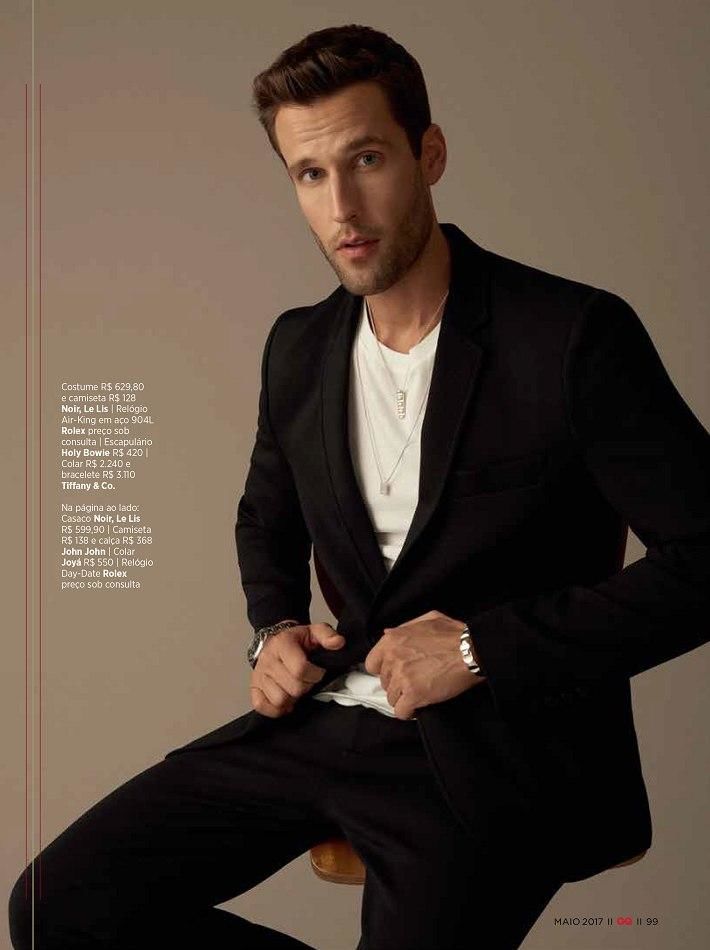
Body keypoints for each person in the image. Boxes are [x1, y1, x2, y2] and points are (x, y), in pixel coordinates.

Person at [9, 23, 710, 950]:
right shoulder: (299, 348)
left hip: (495, 754)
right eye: (309, 174)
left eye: (366, 160)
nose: (342, 206)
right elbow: (265, 516)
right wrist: (272, 628)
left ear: (430, 154)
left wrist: (479, 650)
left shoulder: (570, 336)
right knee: (54, 909)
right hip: (328, 719)